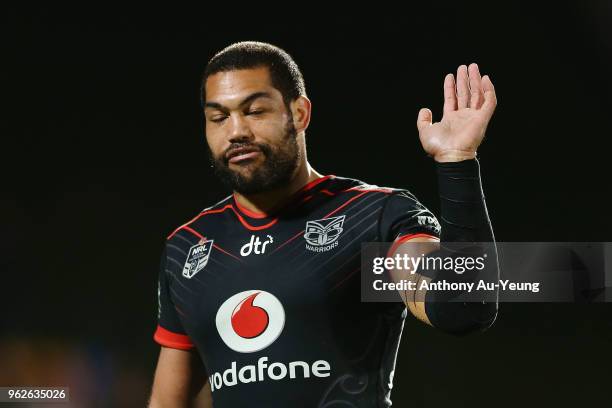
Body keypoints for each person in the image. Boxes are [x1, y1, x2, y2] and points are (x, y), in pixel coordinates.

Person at [148, 41, 498, 408]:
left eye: (254, 111)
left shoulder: (372, 216)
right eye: (218, 117)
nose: (236, 131)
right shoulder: (187, 247)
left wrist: (457, 161)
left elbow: (463, 306)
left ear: (299, 113)